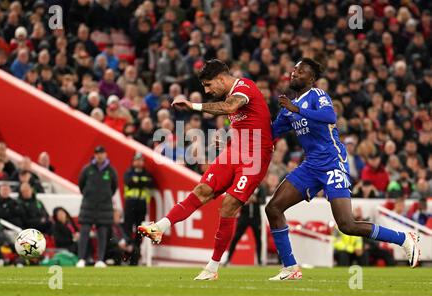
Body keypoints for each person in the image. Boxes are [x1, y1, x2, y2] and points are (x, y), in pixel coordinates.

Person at [267, 58, 420, 281]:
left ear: (311, 78)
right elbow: (270, 133)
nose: (294, 73)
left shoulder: (317, 96)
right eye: (293, 70)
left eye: (300, 72)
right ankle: (290, 268)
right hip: (310, 166)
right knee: (273, 208)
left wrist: (297, 108)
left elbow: (330, 117)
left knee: (347, 225)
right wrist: (237, 137)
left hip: (332, 162)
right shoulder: (288, 108)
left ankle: (404, 238)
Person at [139, 59, 273, 280]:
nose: (208, 91)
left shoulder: (244, 87)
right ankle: (160, 227)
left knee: (228, 205)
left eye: (209, 85)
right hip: (234, 150)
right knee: (202, 190)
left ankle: (212, 267)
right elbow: (247, 123)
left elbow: (230, 107)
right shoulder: (231, 95)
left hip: (255, 157)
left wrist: (194, 106)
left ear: (221, 79)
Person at [76, 146, 118, 268]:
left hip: (104, 207)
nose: (99, 156)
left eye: (101, 153)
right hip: (88, 206)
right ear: (94, 155)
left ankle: (100, 259)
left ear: (106, 154)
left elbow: (113, 187)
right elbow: (81, 184)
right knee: (84, 233)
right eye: (97, 153)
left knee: (102, 234)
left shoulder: (111, 171)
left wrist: (104, 197)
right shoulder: (87, 169)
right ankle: (81, 259)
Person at [123, 152, 154, 265]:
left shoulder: (147, 173)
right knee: (127, 228)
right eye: (137, 160)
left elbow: (151, 183)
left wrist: (137, 181)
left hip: (141, 204)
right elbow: (129, 182)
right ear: (133, 161)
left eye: (141, 160)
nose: (139, 162)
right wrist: (142, 182)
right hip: (130, 204)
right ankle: (127, 251)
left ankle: (135, 253)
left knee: (139, 230)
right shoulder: (129, 172)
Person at [225, 185, 266, 266]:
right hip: (244, 216)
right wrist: (246, 200)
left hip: (256, 217)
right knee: (236, 237)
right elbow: (238, 198)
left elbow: (263, 200)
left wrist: (255, 200)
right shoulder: (245, 186)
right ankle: (228, 259)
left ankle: (259, 261)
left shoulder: (261, 188)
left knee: (258, 239)